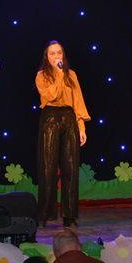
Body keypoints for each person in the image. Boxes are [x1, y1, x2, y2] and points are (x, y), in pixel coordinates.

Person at [35, 41, 90, 228]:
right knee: (48, 167)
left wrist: (81, 127)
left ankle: (70, 215)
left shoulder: (71, 74)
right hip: (50, 117)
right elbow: (50, 96)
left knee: (71, 167)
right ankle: (45, 213)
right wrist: (58, 74)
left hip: (69, 118)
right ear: (47, 57)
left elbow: (78, 101)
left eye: (59, 52)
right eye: (52, 53)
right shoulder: (41, 76)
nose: (56, 56)